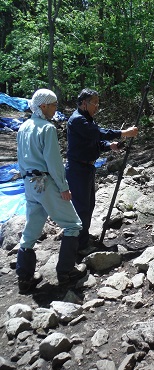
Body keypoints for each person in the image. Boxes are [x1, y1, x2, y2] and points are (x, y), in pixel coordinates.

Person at [16, 89, 87, 294]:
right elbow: (54, 163)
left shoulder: (23, 127)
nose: (56, 109)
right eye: (54, 105)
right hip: (46, 182)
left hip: (29, 183)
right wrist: (64, 188)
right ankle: (66, 272)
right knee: (73, 224)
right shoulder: (47, 128)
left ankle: (25, 278)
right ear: (43, 106)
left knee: (31, 231)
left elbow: (21, 160)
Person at [65, 88, 138, 255]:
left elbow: (94, 141)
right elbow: (97, 133)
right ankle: (80, 246)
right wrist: (123, 133)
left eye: (98, 103)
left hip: (87, 167)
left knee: (89, 205)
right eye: (94, 103)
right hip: (78, 169)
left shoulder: (87, 119)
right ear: (84, 103)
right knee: (82, 207)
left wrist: (110, 146)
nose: (97, 106)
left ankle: (83, 237)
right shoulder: (77, 120)